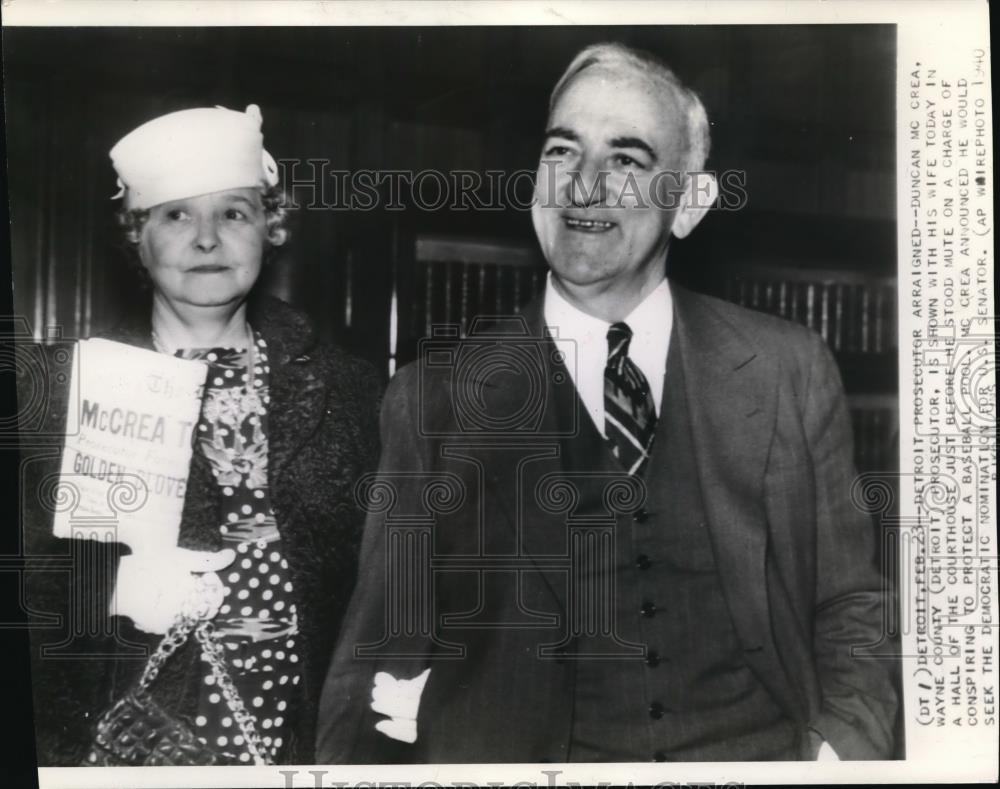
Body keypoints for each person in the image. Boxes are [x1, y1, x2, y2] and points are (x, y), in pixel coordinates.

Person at [316, 43, 898, 763]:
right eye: (563, 151)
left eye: (627, 160)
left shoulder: (787, 370)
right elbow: (378, 648)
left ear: (688, 203)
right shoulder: (432, 401)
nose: (583, 187)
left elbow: (852, 604)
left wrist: (844, 749)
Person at [21, 104, 381, 765]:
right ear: (137, 234)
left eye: (234, 212)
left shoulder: (352, 391)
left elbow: (384, 582)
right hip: (135, 750)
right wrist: (113, 593)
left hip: (304, 746)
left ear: (270, 228)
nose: (207, 238)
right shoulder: (65, 391)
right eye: (176, 214)